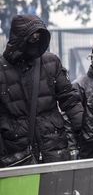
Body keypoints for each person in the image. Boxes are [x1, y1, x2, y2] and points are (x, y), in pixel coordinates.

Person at [0, 14, 83, 166]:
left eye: (39, 36)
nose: (36, 40)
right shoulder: (1, 69)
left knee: (59, 189)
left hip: (54, 147)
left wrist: (84, 133)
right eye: (32, 36)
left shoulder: (51, 62)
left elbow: (69, 99)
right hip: (17, 154)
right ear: (18, 37)